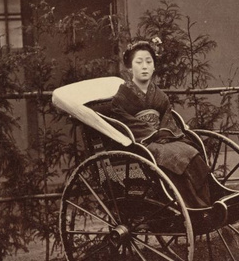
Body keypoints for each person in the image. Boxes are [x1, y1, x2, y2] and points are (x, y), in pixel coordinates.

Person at [52, 39, 211, 208]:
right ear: (130, 68)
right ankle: (187, 203)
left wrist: (164, 132)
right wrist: (152, 133)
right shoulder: (122, 96)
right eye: (139, 62)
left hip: (163, 137)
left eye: (149, 62)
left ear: (154, 67)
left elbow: (167, 115)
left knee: (190, 150)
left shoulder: (159, 95)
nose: (144, 67)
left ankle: (202, 201)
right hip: (141, 142)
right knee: (175, 156)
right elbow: (123, 121)